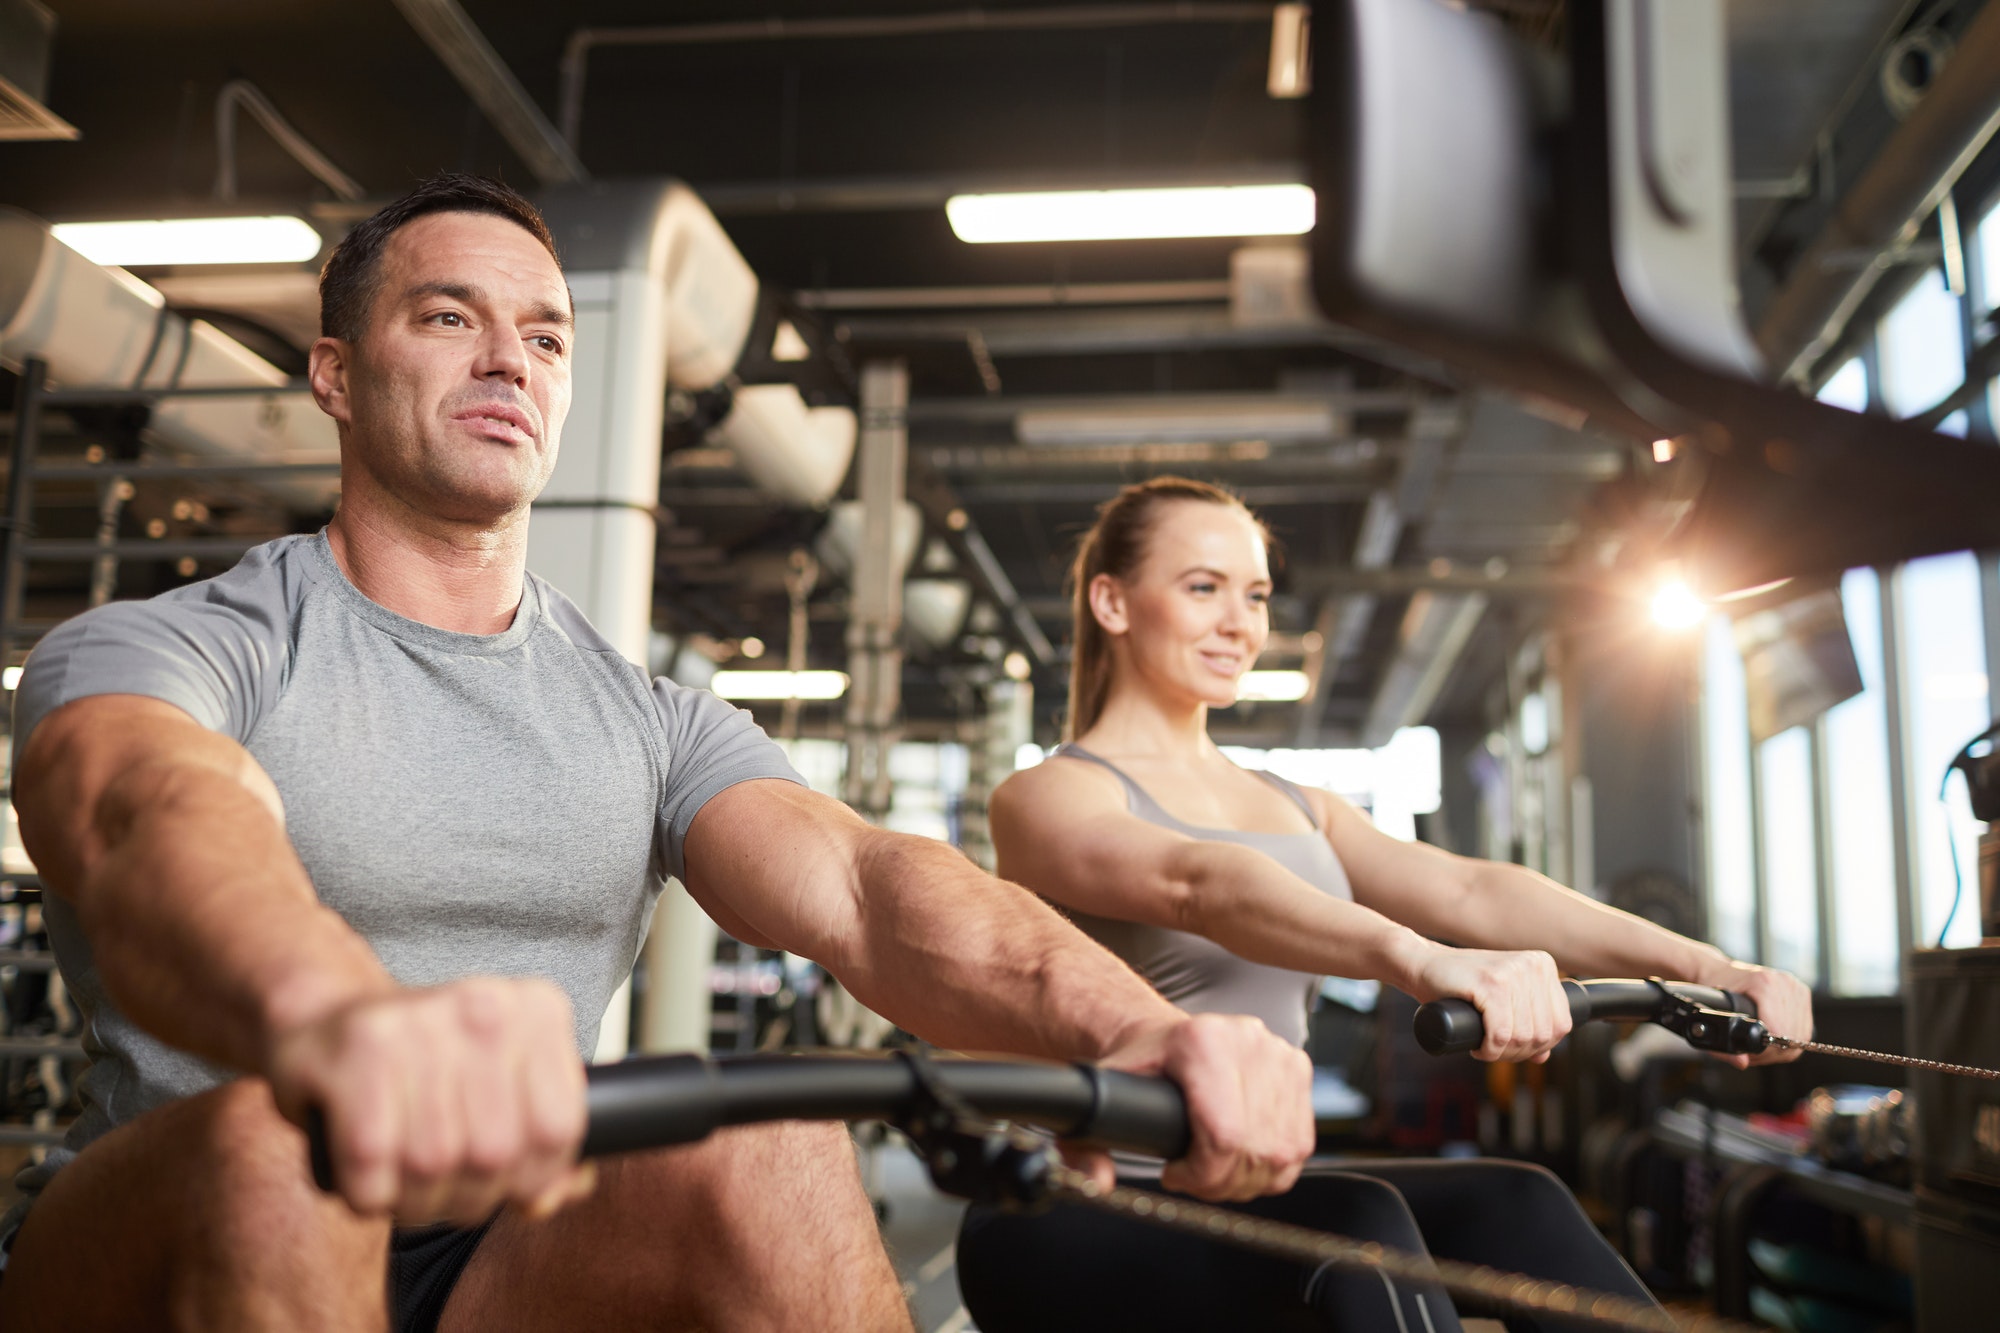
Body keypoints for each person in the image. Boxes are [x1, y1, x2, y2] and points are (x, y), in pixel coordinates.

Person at [0, 180, 1316, 1333]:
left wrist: (1139, 1030)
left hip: (501, 1245)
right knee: (281, 1151)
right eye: (451, 319)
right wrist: (343, 1025)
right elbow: (147, 811)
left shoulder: (649, 715)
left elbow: (866, 889)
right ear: (337, 375)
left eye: (548, 336)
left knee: (769, 1138)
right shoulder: (184, 644)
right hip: (177, 1223)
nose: (510, 360)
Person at [957, 476, 1815, 1332]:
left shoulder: (1300, 804)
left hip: (1249, 1192)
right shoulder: (1047, 797)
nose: (1239, 623)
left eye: (1254, 594)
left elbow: (1472, 887)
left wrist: (1708, 968)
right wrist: (1424, 961)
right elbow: (1203, 885)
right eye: (1202, 587)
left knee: (1518, 1202)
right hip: (1066, 1205)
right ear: (1112, 601)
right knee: (1360, 1228)